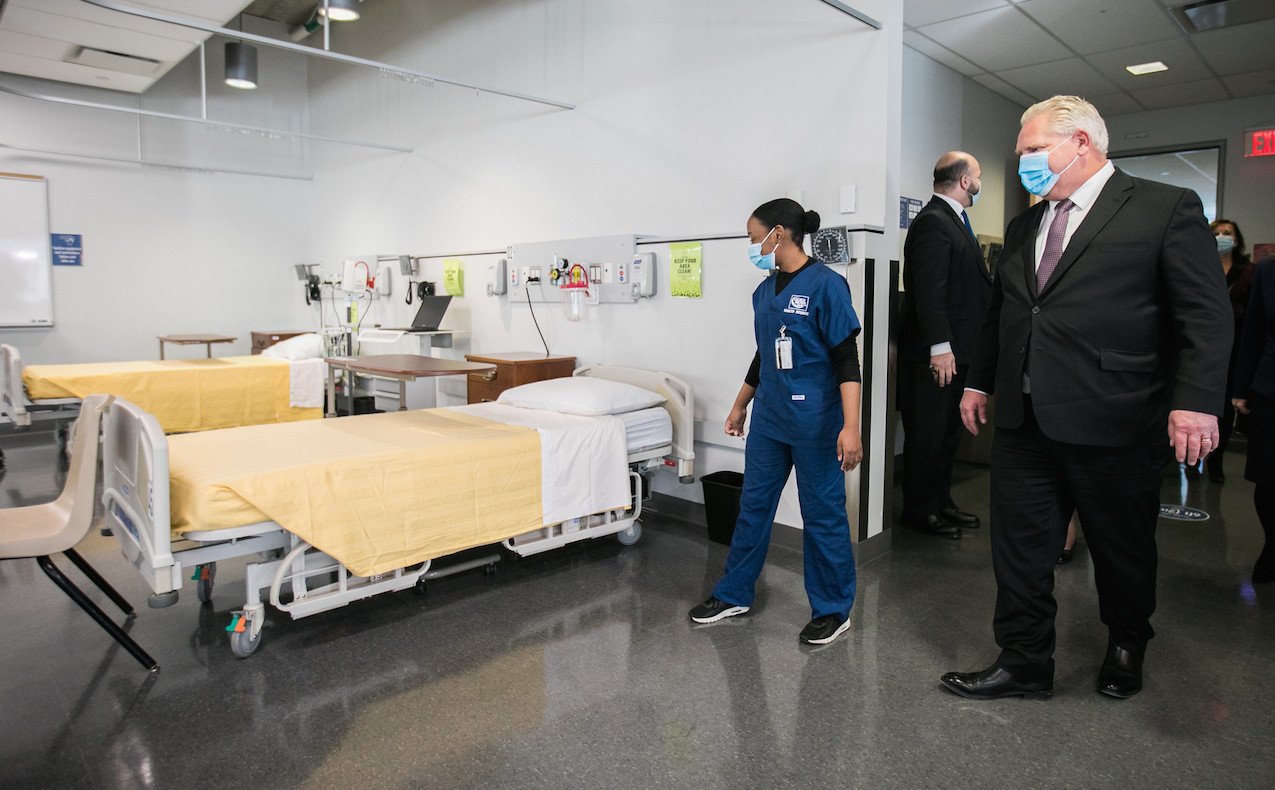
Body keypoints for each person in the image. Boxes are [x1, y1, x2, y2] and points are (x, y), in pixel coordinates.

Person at [941, 96, 1231, 701]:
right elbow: (1006, 313)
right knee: (1019, 550)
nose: (1023, 162)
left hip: (1116, 415)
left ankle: (1126, 643)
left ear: (1081, 143)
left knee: (1122, 546)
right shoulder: (1026, 225)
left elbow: (1205, 315)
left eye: (1032, 149)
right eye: (1021, 151)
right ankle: (1024, 661)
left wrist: (1197, 400)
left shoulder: (1163, 207)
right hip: (1024, 421)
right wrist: (978, 380)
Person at [688, 198, 863, 646]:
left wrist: (851, 426)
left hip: (816, 421)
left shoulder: (827, 285)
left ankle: (832, 609)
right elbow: (765, 353)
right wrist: (740, 404)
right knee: (753, 507)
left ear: (779, 233)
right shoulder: (763, 291)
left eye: (753, 237)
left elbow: (846, 360)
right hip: (770, 419)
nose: (752, 245)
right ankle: (733, 594)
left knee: (822, 515)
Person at [898, 152, 993, 539]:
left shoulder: (956, 220)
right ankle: (920, 510)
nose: (980, 182)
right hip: (938, 354)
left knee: (948, 433)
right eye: (979, 175)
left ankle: (941, 502)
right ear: (965, 181)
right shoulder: (933, 222)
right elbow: (929, 291)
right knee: (929, 434)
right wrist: (941, 347)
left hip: (958, 351)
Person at [1231, 253, 1275, 584]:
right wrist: (1241, 386)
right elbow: (1254, 329)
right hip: (1269, 389)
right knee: (1267, 481)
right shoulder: (1267, 271)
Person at [1207, 219, 1255, 483]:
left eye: (1227, 234)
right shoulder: (1200, 267)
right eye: (1217, 233)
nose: (1222, 237)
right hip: (1206, 343)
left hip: (1236, 344)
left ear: (1236, 241)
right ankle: (1192, 459)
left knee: (1224, 406)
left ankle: (1216, 461)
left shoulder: (1248, 271)